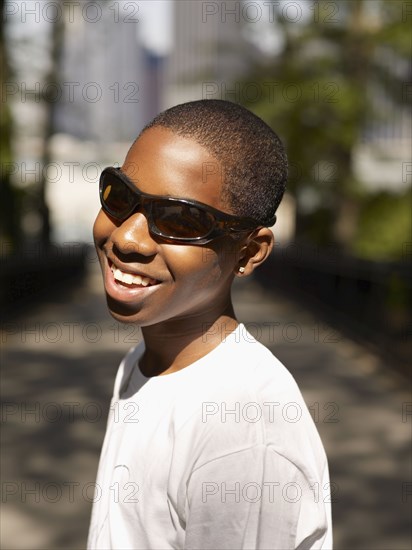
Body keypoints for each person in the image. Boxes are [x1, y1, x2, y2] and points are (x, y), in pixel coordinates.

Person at [87, 99, 332, 549]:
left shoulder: (242, 429)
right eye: (120, 198)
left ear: (248, 252)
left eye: (180, 220)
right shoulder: (144, 359)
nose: (126, 237)